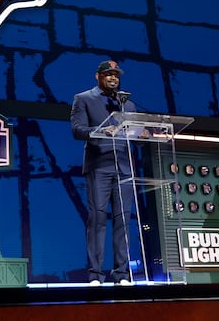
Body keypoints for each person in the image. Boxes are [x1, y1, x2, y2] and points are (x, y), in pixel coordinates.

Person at [70, 60, 137, 286]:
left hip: (124, 168)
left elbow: (135, 132)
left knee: (123, 222)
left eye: (116, 75)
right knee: (97, 219)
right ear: (97, 76)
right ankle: (95, 275)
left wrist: (144, 132)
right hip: (99, 166)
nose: (113, 78)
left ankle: (122, 274)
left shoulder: (128, 105)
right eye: (108, 74)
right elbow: (77, 131)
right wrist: (99, 131)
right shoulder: (84, 99)